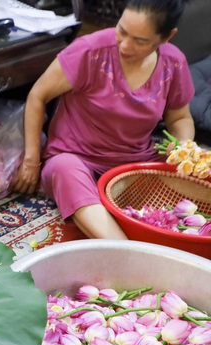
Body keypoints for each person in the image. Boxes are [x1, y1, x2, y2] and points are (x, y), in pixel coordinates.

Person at [12, 0, 195, 239]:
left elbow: (180, 117)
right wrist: (31, 161)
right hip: (77, 160)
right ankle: (124, 250)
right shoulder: (89, 51)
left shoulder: (173, 63)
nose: (125, 46)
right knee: (64, 169)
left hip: (134, 164)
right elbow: (38, 96)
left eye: (140, 41)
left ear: (166, 37)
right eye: (122, 31)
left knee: (197, 171)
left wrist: (183, 145)